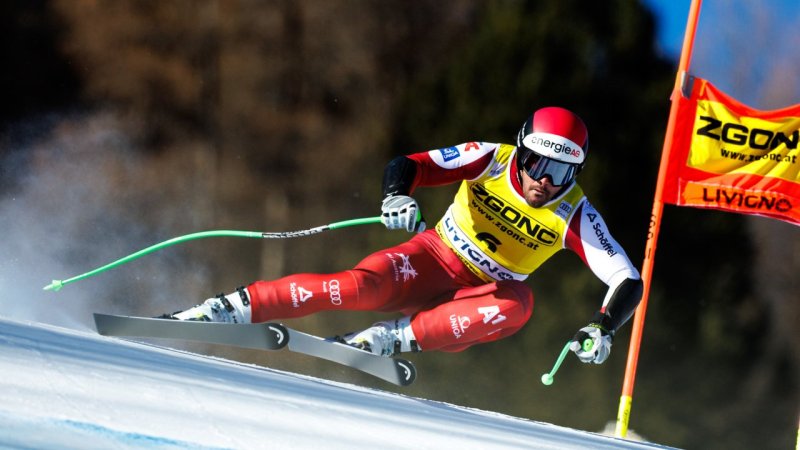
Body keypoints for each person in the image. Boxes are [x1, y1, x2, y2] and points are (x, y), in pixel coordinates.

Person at [164, 106, 643, 364]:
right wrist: (397, 196)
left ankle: (388, 339)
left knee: (519, 305)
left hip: (473, 301)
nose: (544, 181)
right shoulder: (491, 158)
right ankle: (225, 309)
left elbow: (626, 279)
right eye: (537, 163)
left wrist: (603, 328)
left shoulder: (574, 212)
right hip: (431, 258)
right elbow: (412, 164)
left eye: (561, 172)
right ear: (520, 151)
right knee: (356, 287)